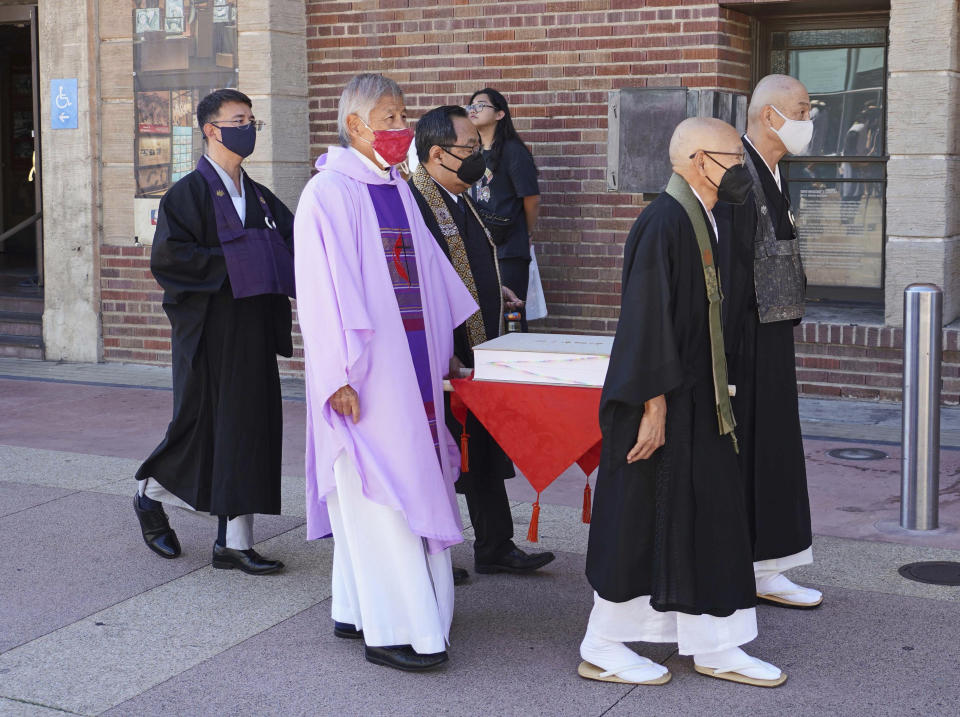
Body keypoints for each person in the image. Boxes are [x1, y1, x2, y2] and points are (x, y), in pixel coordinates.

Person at [579, 117, 786, 688]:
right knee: (643, 524)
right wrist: (653, 406)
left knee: (710, 521)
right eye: (731, 158)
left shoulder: (708, 216)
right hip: (665, 403)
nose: (741, 167)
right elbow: (644, 319)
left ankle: (717, 643)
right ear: (697, 160)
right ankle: (602, 644)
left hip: (701, 399)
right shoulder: (664, 220)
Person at [293, 75, 478, 672]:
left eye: (403, 115)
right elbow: (320, 294)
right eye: (390, 117)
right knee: (380, 494)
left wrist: (447, 346)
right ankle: (398, 630)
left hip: (412, 365)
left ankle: (355, 607)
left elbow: (427, 270)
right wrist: (334, 377)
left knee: (388, 492)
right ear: (356, 125)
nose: (402, 128)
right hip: (363, 376)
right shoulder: (329, 193)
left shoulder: (395, 185)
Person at [133, 89, 294, 575]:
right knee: (202, 428)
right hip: (209, 332)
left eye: (251, 120)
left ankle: (234, 543)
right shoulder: (186, 193)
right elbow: (169, 259)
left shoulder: (261, 197)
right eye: (237, 119)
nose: (247, 127)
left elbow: (297, 242)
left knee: (249, 430)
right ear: (210, 129)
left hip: (253, 331)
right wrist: (240, 263)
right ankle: (150, 492)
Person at [408, 105, 556, 581]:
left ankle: (495, 544)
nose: (479, 158)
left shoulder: (459, 196)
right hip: (445, 355)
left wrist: (498, 286)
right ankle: (433, 553)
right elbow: (419, 284)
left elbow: (469, 264)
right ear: (437, 153)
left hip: (479, 347)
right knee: (443, 458)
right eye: (470, 148)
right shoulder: (415, 203)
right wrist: (442, 349)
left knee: (484, 451)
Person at [714, 74, 822, 610]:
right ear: (768, 116)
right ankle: (744, 564)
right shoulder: (737, 174)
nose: (809, 119)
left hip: (773, 332)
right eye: (801, 109)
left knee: (774, 449)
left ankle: (770, 565)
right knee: (748, 451)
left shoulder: (775, 171)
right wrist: (726, 356)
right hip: (742, 340)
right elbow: (728, 270)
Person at [467, 88, 540, 331]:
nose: (473, 110)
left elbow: (531, 198)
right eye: (471, 106)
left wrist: (527, 232)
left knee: (512, 316)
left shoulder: (514, 151)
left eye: (481, 105)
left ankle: (515, 365)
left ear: (499, 114)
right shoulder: (472, 153)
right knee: (487, 315)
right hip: (481, 248)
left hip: (509, 249)